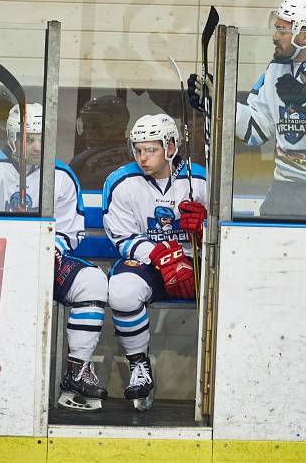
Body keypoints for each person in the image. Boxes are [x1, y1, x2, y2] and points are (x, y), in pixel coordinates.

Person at [0, 103, 110, 412]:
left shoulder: (62, 175)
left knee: (92, 281)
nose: (37, 146)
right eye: (29, 139)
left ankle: (77, 371)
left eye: (41, 138)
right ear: (13, 138)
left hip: (47, 263)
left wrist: (53, 248)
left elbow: (71, 231)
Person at [189, 0, 306, 219]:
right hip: (284, 186)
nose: (274, 36)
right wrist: (217, 101)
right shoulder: (275, 69)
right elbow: (256, 130)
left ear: (305, 35)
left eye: (282, 30)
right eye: (276, 28)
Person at [102, 113, 208, 411]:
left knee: (228, 292)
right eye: (138, 150)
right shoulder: (121, 182)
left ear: (171, 147)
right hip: (149, 263)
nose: (142, 157)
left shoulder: (200, 180)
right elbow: (122, 237)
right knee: (122, 291)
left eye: (151, 149)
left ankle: (223, 365)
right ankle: (139, 366)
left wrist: (203, 229)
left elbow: (224, 237)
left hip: (194, 264)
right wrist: (161, 256)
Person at [68, 95, 134, 189]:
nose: (88, 131)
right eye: (86, 125)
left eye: (96, 124)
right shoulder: (139, 153)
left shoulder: (81, 162)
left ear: (116, 126)